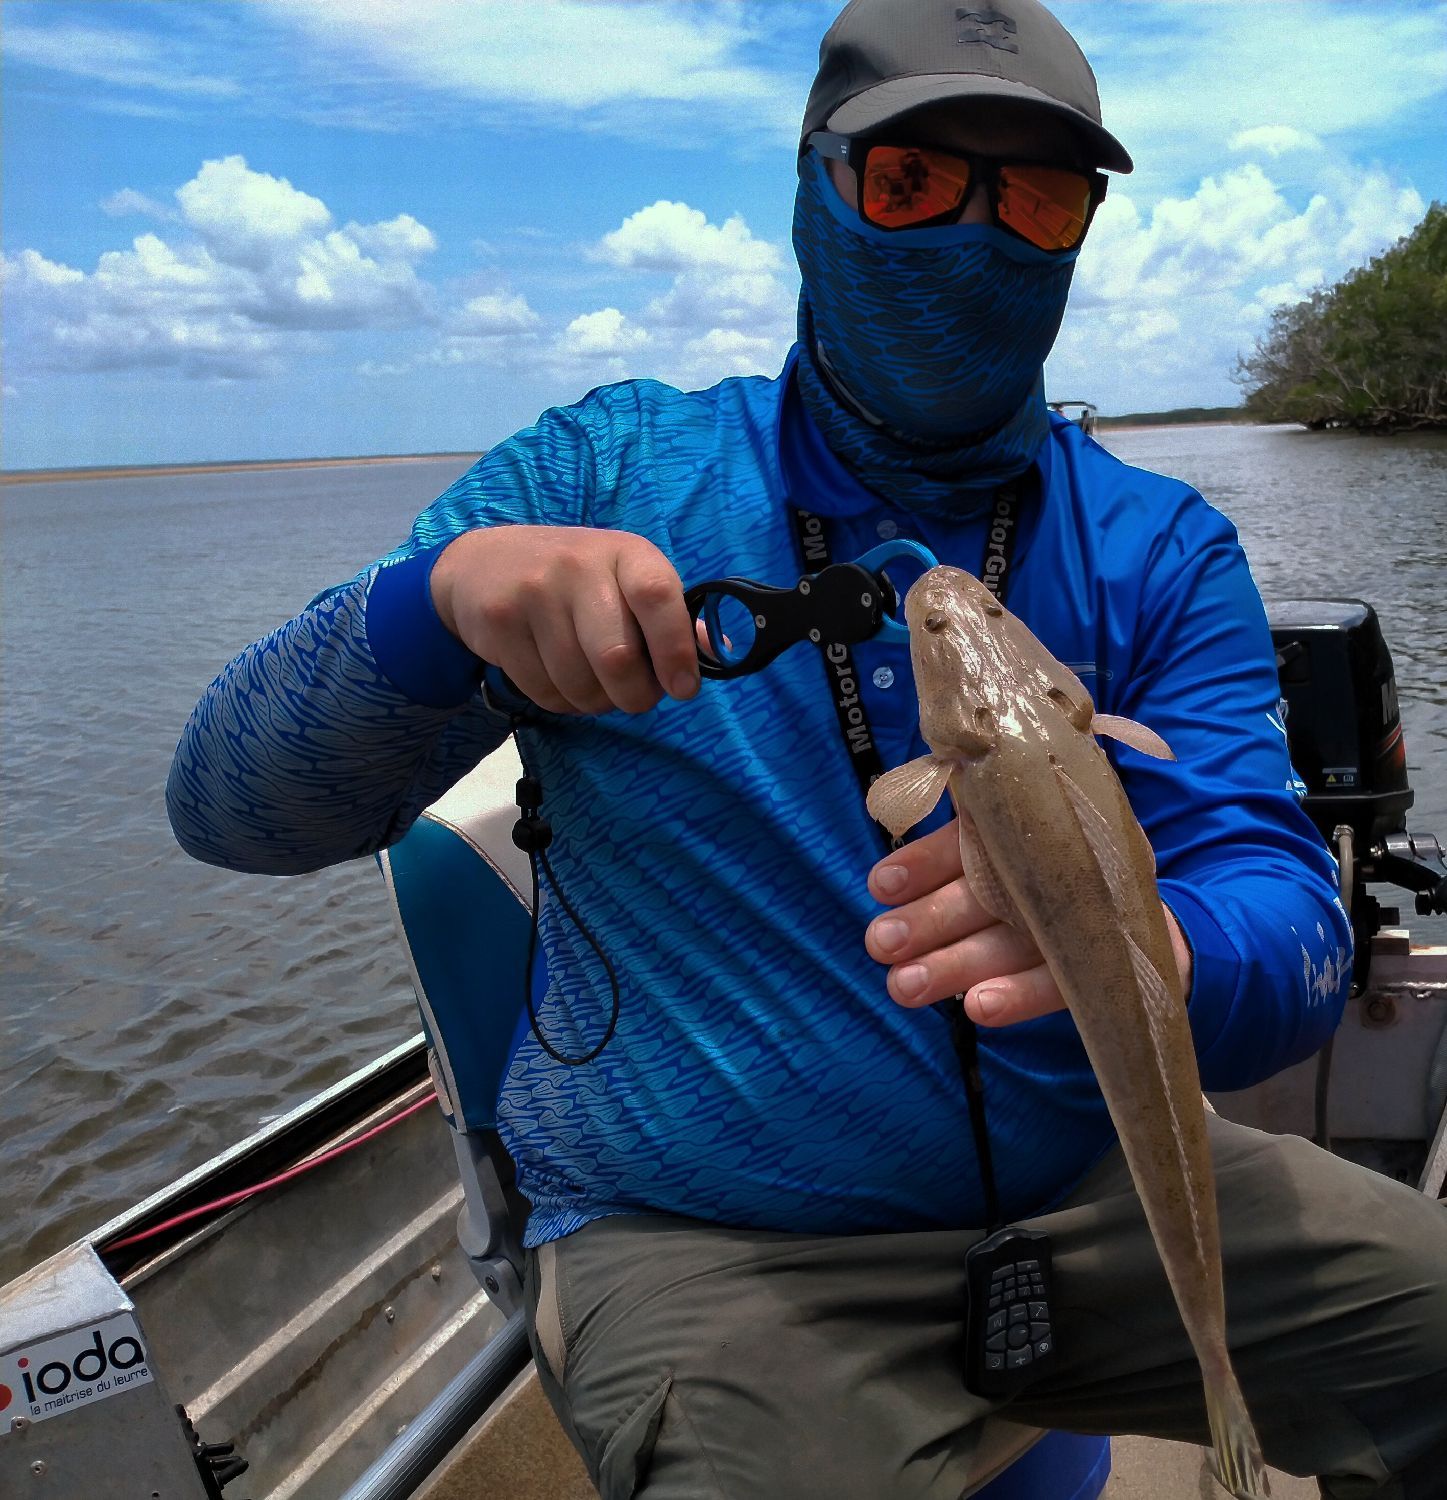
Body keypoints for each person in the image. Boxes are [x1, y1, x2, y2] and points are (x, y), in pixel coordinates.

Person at [168, 1, 1447, 1494]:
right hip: (715, 1244)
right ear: (813, 189)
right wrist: (428, 614)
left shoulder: (1161, 547)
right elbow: (229, 808)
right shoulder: (606, 478)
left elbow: (1291, 919)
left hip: (1086, 1193)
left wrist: (1163, 947)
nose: (975, 240)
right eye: (911, 183)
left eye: (1036, 196)